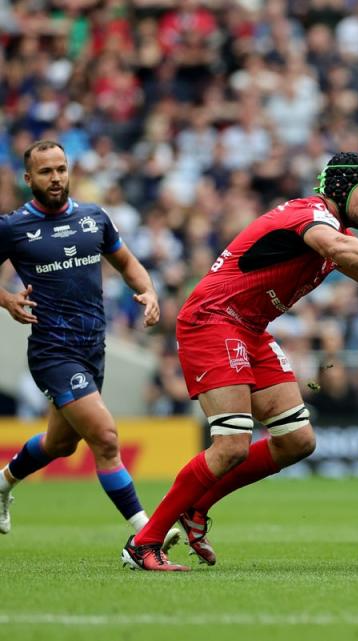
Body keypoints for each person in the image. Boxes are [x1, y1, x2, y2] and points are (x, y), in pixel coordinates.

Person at [121, 152, 358, 571]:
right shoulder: (311, 215)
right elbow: (344, 248)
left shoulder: (335, 234)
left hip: (251, 328)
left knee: (298, 441)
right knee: (231, 446)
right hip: (214, 319)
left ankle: (197, 507)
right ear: (340, 190)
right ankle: (144, 542)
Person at [0, 140, 178, 550]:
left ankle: (3, 483)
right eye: (46, 171)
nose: (56, 177)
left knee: (60, 444)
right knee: (106, 438)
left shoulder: (93, 217)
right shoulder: (13, 227)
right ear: (29, 179)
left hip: (93, 348)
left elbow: (128, 262)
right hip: (52, 352)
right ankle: (145, 531)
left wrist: (148, 292)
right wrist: (8, 300)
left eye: (61, 168)